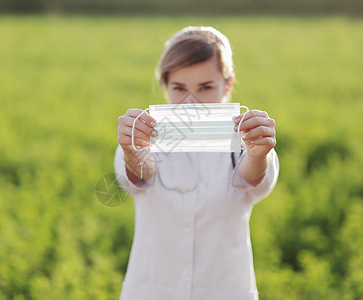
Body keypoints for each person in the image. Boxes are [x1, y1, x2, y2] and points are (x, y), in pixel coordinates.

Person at [114, 26, 279, 300]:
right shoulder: (142, 138)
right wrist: (131, 150)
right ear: (165, 86)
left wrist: (259, 153)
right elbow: (138, 174)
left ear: (227, 85)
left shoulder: (246, 142)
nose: (191, 102)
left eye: (205, 87)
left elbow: (253, 181)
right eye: (179, 88)